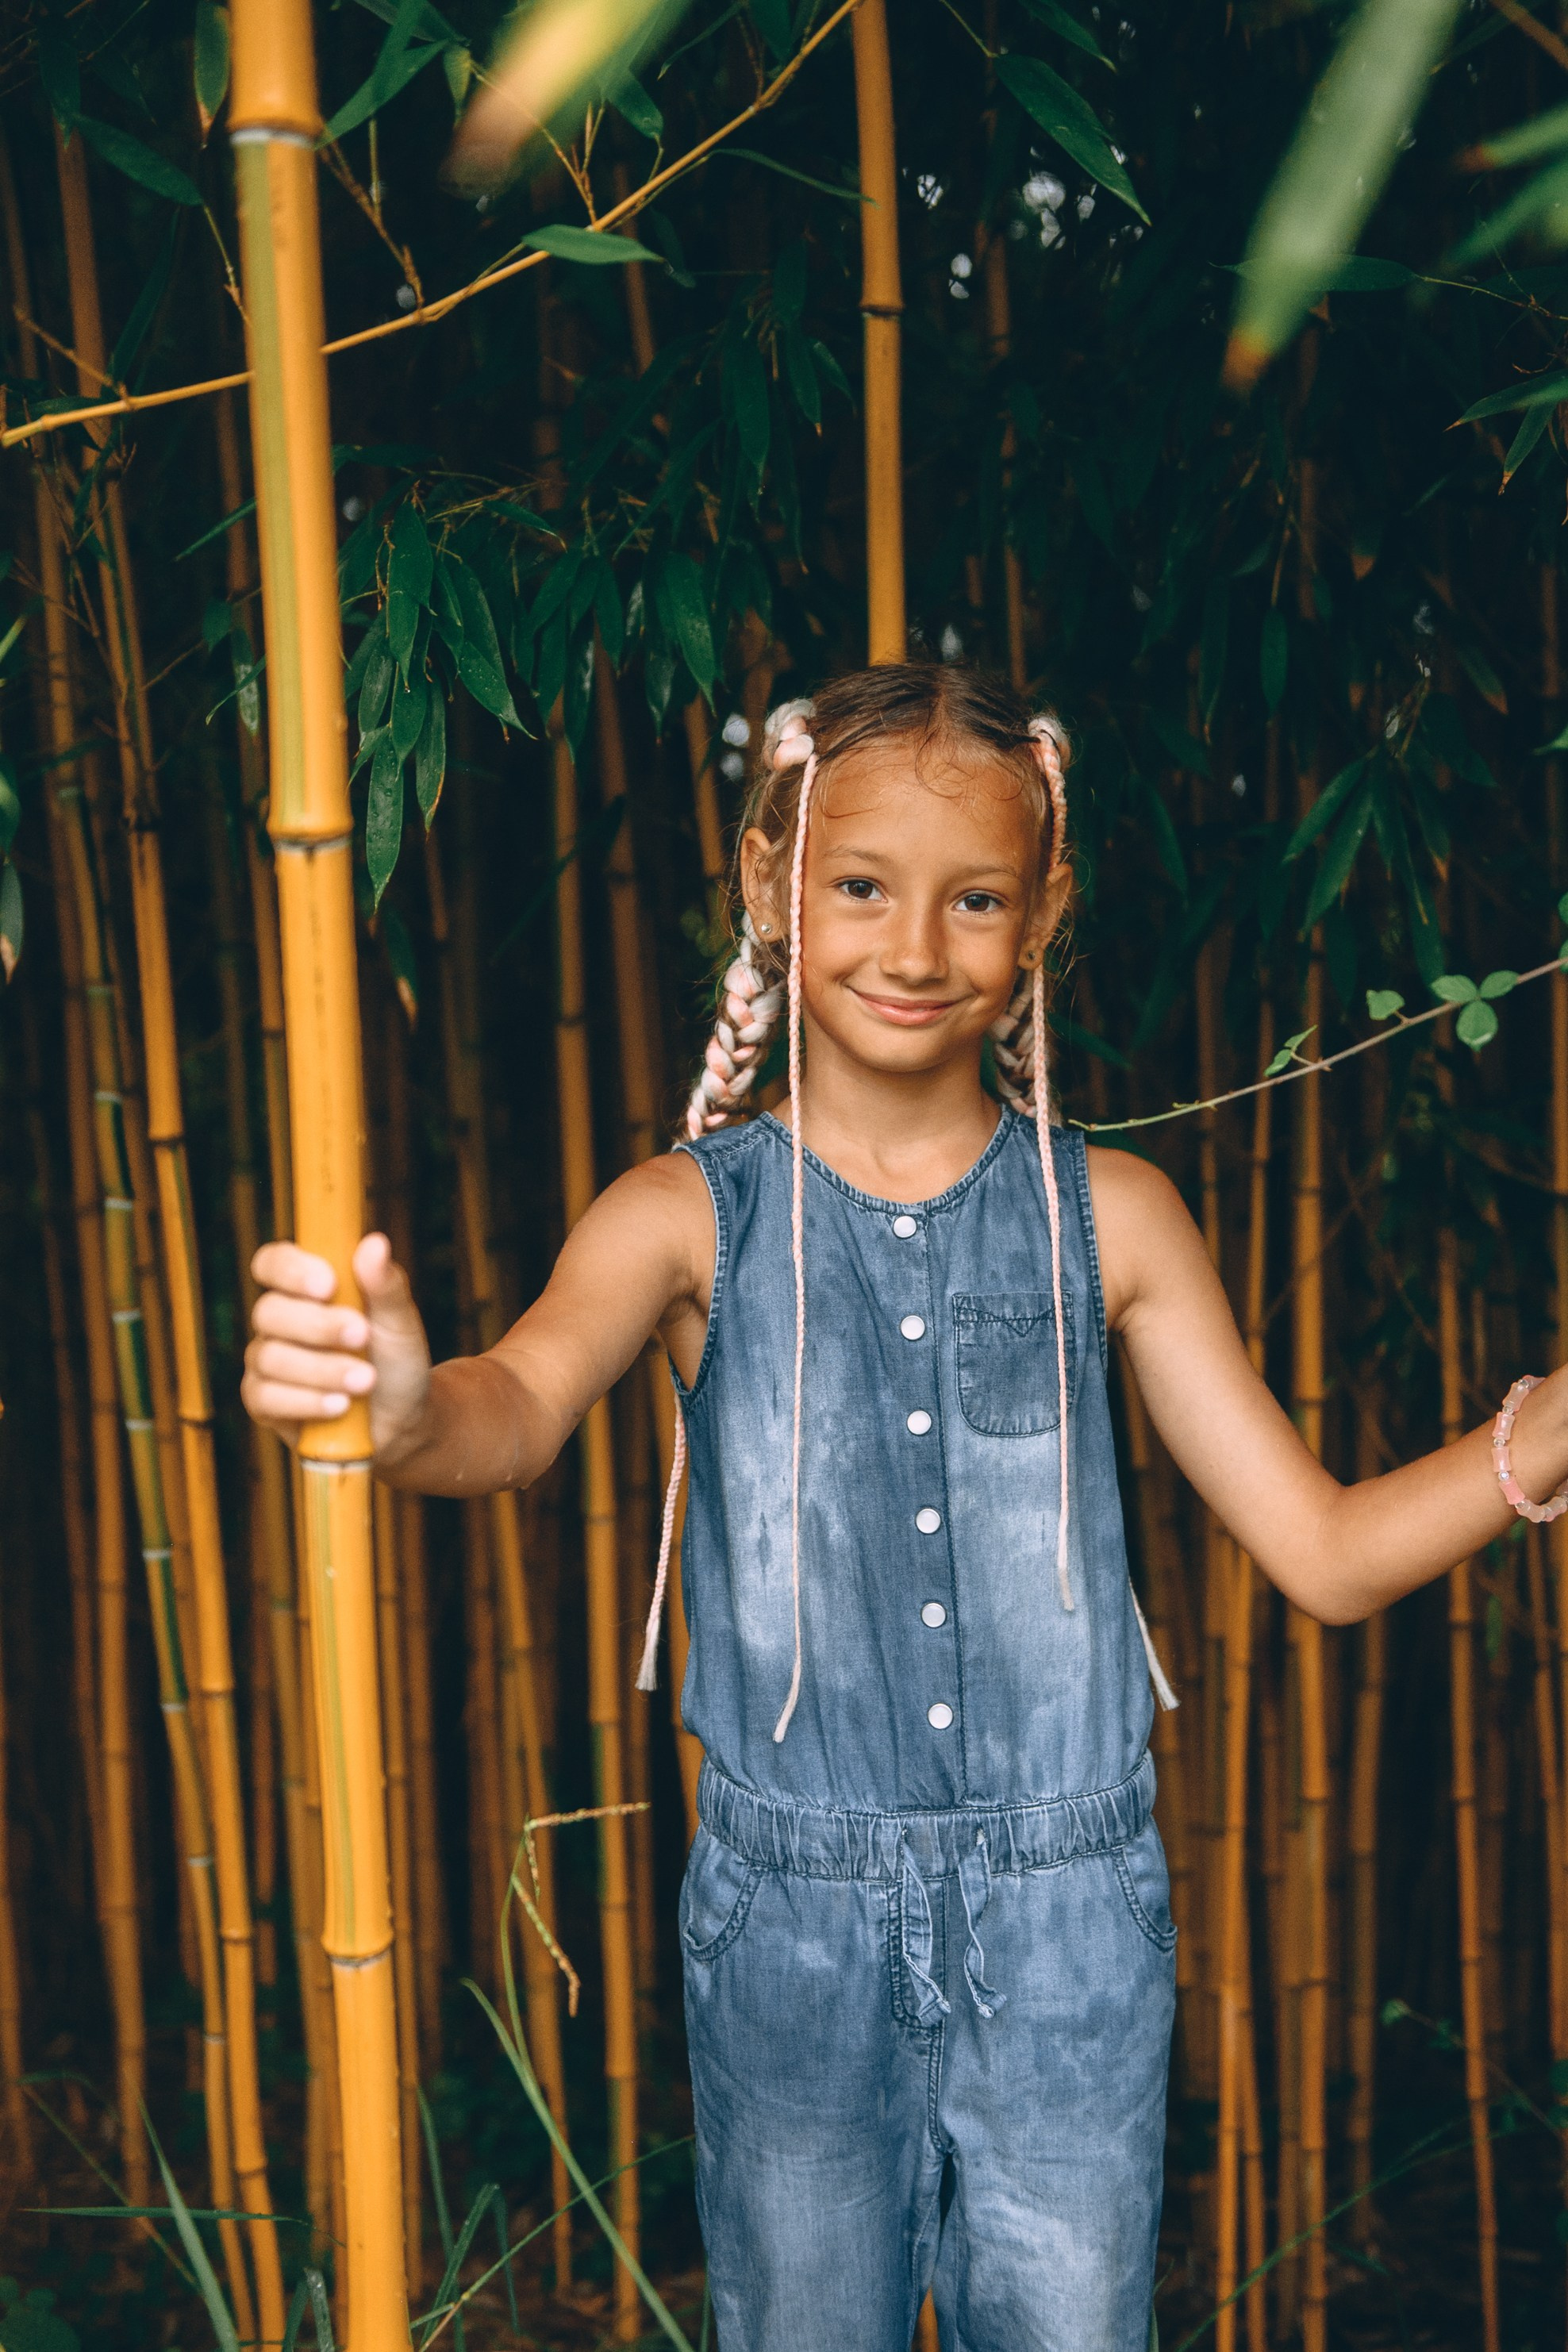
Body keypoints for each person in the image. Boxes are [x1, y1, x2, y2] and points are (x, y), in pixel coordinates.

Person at [243, 663, 1568, 2352]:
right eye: (861, 885)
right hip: (789, 1925)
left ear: (1045, 910)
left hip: (1072, 1925)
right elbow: (513, 1409)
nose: (917, 948)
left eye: (977, 899)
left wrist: (1540, 1438)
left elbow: (1326, 1554)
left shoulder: (1118, 1216)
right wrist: (405, 1412)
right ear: (768, 879)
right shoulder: (681, 1217)